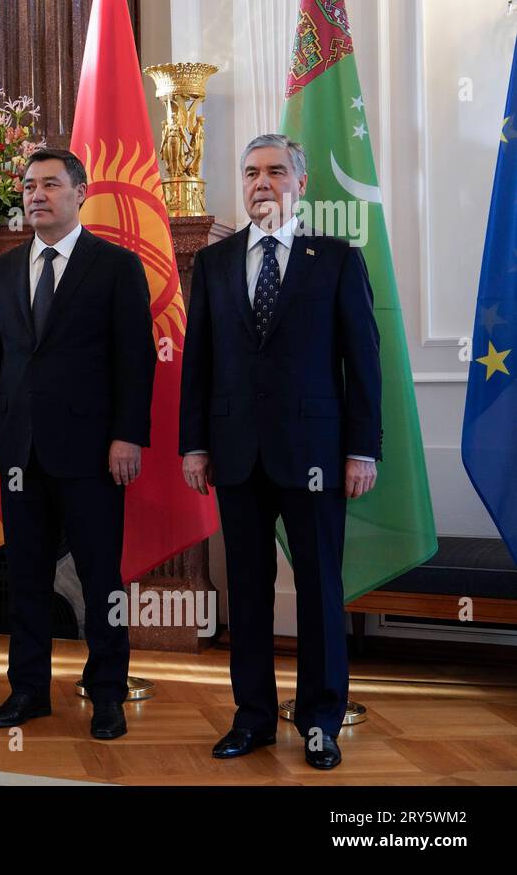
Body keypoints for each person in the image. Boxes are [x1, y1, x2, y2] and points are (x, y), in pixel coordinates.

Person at [180, 134, 380, 770]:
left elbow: (363, 364)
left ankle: (320, 720)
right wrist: (194, 444)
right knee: (247, 588)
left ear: (301, 182)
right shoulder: (213, 263)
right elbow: (199, 364)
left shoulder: (337, 259)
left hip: (316, 453)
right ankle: (254, 718)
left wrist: (362, 451)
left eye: (274, 171)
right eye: (250, 172)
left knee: (320, 586)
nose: (260, 182)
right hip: (235, 452)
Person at [0, 147, 155, 738]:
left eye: (50, 184)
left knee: (101, 577)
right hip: (19, 450)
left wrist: (128, 436)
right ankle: (28, 692)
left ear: (79, 192)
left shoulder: (116, 266)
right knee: (23, 577)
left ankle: (106, 694)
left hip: (95, 452)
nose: (35, 194)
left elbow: (136, 360)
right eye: (28, 185)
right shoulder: (0, 270)